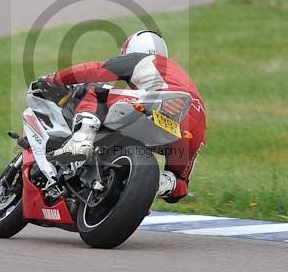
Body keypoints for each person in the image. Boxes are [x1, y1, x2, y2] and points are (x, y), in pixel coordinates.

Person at [41, 30, 206, 203]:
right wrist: (143, 183)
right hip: (195, 124)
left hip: (163, 100)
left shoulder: (141, 59)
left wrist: (54, 79)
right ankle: (158, 184)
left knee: (93, 91)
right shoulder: (177, 73)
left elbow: (95, 70)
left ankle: (81, 140)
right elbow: (180, 191)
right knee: (177, 180)